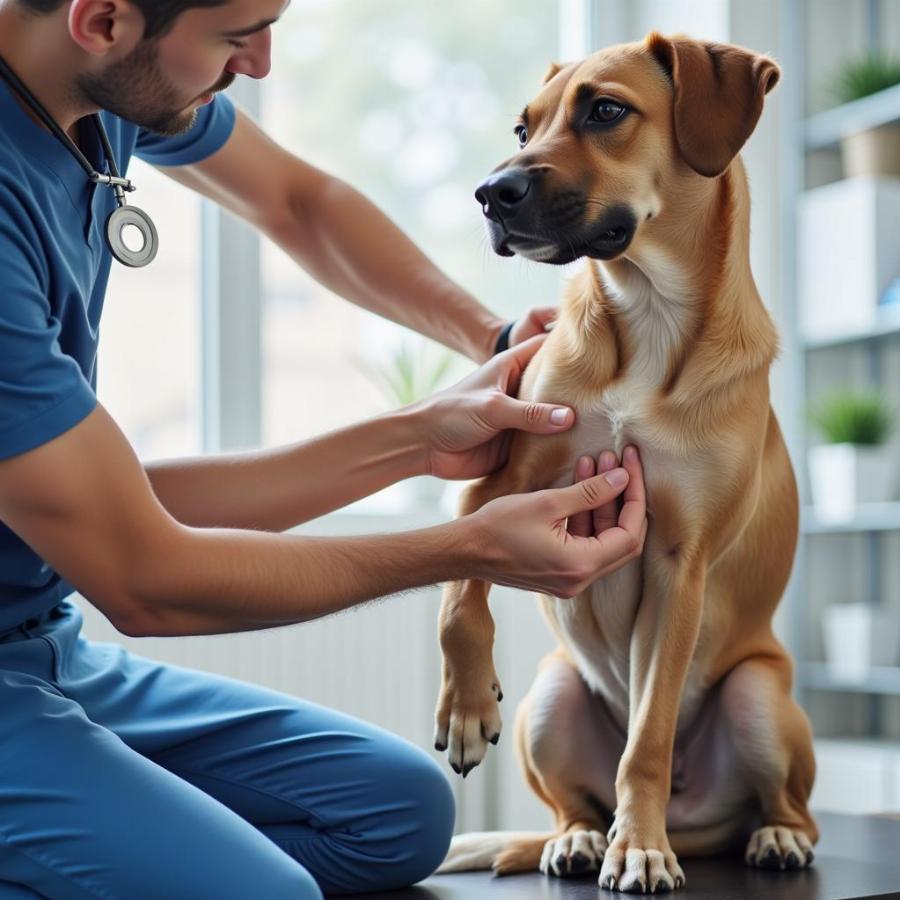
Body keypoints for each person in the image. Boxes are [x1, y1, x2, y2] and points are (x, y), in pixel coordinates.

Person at [0, 1, 648, 898]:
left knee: (401, 815)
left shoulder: (98, 92)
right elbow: (140, 575)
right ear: (102, 20)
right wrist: (470, 548)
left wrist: (483, 353)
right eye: (237, 37)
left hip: (42, 644)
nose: (261, 64)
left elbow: (301, 201)